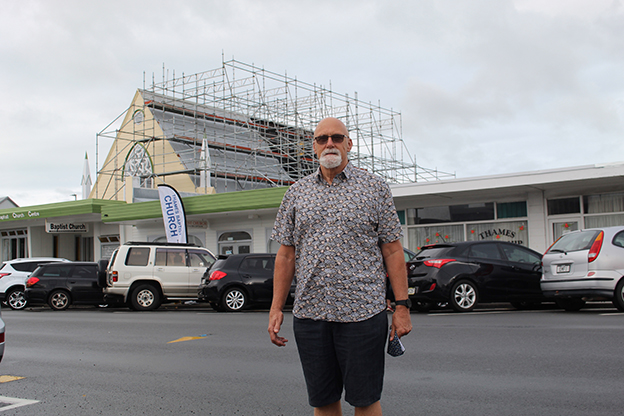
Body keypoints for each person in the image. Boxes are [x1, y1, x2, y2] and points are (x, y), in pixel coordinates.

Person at [268, 117, 412, 416]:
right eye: (322, 138)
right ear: (313, 147)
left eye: (336, 137)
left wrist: (402, 306)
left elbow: (393, 250)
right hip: (311, 314)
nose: (329, 143)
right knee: (323, 401)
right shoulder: (296, 194)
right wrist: (275, 307)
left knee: (366, 400)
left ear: (349, 144)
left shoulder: (375, 188)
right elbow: (285, 256)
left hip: (363, 313)